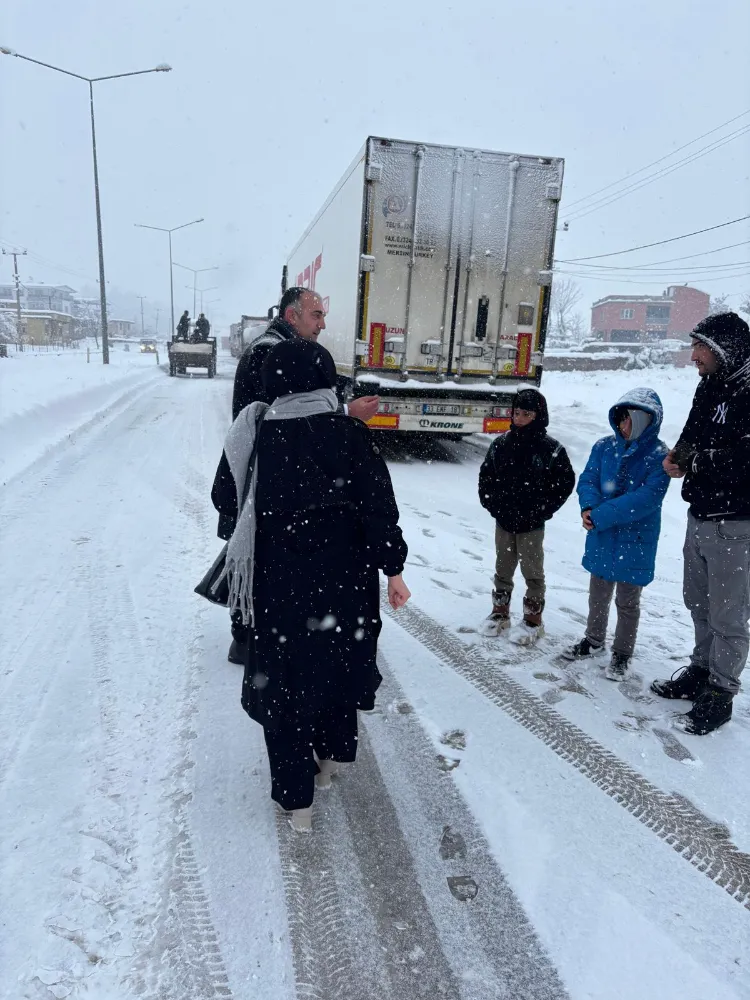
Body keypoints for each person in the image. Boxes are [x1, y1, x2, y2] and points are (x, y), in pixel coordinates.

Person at [212, 338, 409, 831]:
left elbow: (224, 499)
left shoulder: (255, 433)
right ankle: (332, 761)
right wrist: (393, 569)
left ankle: (296, 800)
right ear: (325, 380)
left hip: (277, 587)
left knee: (284, 684)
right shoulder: (350, 434)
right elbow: (378, 509)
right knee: (336, 669)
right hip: (345, 585)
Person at [220, 287, 380, 665]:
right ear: (292, 316)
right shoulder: (273, 353)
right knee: (259, 551)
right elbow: (288, 419)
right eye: (316, 315)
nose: (322, 324)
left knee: (256, 547)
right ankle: (249, 639)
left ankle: (253, 635)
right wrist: (346, 414)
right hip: (265, 479)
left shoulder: (278, 349)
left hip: (264, 477)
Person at [652, 312, 750, 734]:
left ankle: (721, 693)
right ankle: (701, 671)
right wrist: (678, 456)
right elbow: (693, 432)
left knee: (729, 615)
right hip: (700, 515)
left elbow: (745, 460)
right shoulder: (710, 384)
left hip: (736, 522)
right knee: (699, 603)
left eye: (700, 347)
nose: (693, 356)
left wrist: (696, 462)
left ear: (725, 349)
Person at [564, 388, 669, 680]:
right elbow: (588, 479)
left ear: (647, 421)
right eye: (621, 419)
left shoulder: (659, 455)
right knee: (598, 594)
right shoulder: (603, 447)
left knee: (628, 601)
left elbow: (646, 499)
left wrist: (600, 516)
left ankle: (622, 653)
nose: (624, 425)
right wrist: (588, 507)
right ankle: (593, 640)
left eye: (630, 419)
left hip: (636, 540)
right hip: (602, 535)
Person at [478, 388, 575, 643]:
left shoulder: (551, 449)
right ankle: (500, 612)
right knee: (503, 567)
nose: (520, 419)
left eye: (527, 414)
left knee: (532, 570)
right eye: (517, 413)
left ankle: (533, 619)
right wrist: (493, 505)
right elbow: (486, 477)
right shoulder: (501, 444)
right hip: (504, 521)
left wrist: (542, 510)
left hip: (532, 524)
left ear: (538, 416)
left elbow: (564, 483)